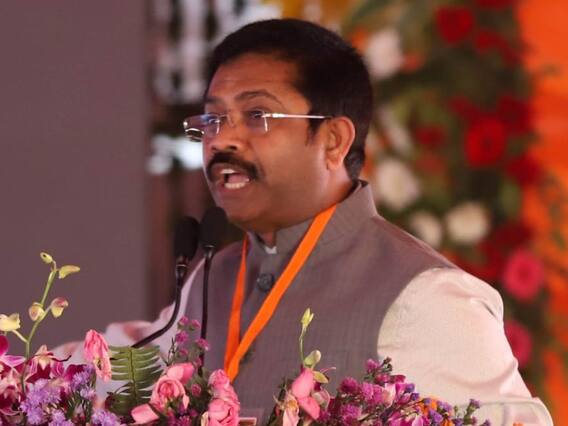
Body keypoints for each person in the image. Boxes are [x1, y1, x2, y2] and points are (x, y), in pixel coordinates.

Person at [58, 19, 552, 425]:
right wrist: (35, 377)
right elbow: (129, 359)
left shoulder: (426, 297)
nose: (222, 140)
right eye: (212, 120)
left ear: (334, 141)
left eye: (258, 115)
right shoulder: (214, 277)